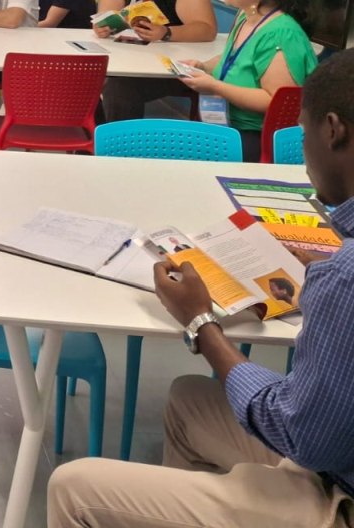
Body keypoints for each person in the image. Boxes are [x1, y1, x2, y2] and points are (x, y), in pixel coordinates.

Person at [47, 49, 354, 528]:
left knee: (72, 488)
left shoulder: (345, 278)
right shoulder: (342, 267)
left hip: (336, 492)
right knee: (190, 401)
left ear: (332, 130)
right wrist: (327, 266)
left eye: (303, 130)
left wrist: (202, 324)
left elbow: (303, 439)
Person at [175, 0, 319, 161]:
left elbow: (274, 101)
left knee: (176, 151)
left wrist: (215, 86)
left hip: (258, 137)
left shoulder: (281, 34)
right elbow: (234, 60)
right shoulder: (247, 17)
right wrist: (202, 66)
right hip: (228, 127)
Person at [99, 0, 220, 121]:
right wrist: (103, 27)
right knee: (93, 79)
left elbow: (207, 29)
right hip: (127, 59)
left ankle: (121, 139)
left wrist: (166, 32)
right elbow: (104, 16)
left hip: (168, 68)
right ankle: (96, 134)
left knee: (119, 87)